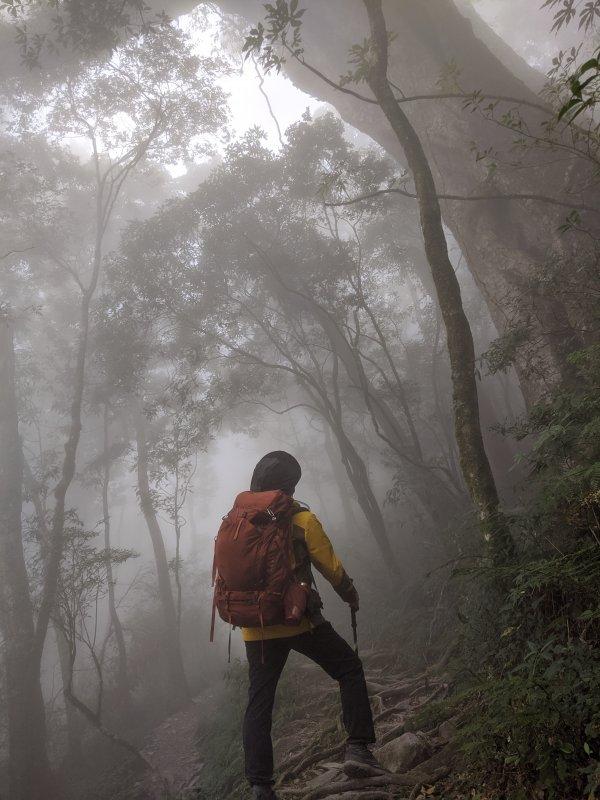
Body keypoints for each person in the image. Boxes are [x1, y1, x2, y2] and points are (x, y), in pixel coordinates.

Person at [242, 451, 385, 800]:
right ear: (291, 486)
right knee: (349, 669)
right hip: (299, 620)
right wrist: (350, 595)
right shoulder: (301, 518)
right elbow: (330, 567)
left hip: (256, 627)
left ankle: (261, 787)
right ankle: (358, 749)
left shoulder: (239, 522)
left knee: (259, 702)